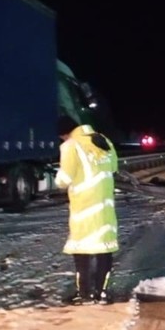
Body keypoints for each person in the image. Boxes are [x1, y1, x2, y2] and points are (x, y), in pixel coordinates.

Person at [55, 114, 119, 304]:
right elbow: (114, 166)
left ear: (64, 133)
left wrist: (60, 176)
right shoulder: (103, 140)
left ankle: (85, 294)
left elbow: (63, 180)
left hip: (84, 208)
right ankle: (102, 293)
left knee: (82, 251)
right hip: (105, 207)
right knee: (104, 249)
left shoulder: (70, 146)